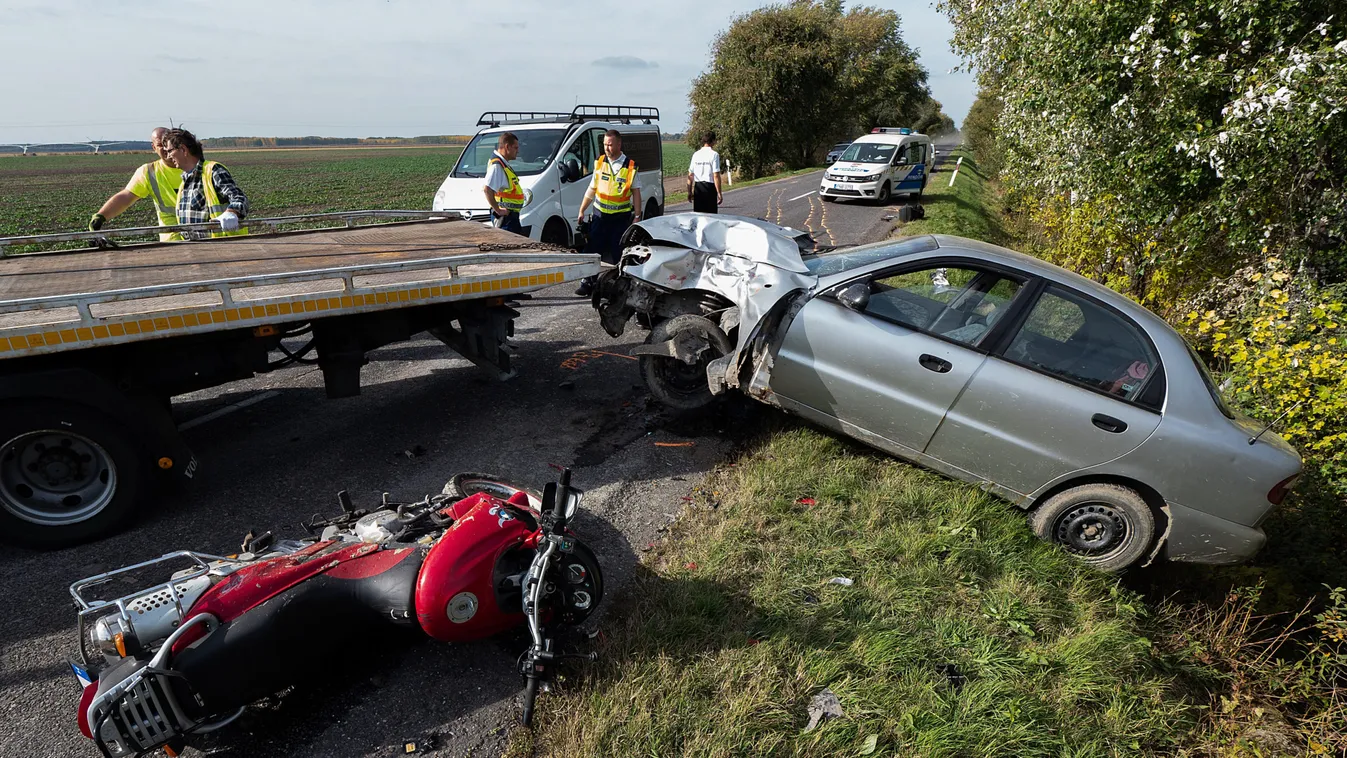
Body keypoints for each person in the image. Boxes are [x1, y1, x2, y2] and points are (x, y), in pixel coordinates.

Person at [574, 130, 641, 297]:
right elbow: (592, 188)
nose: (607, 148)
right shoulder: (600, 162)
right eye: (605, 144)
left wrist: (637, 216)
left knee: (619, 252)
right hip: (599, 216)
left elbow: (636, 193)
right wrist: (582, 209)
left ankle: (621, 285)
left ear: (619, 144)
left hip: (620, 219)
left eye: (610, 144)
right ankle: (587, 282)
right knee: (593, 249)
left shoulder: (630, 166)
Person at [88, 127, 184, 241]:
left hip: (204, 236)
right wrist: (100, 217)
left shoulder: (199, 167)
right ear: (154, 147)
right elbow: (126, 197)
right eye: (160, 145)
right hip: (172, 240)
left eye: (167, 143)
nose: (166, 148)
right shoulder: (149, 172)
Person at [160, 128, 249, 240]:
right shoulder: (185, 182)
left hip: (222, 247)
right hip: (195, 250)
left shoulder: (213, 171)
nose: (168, 156)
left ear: (183, 150)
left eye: (169, 151)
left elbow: (239, 198)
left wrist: (231, 212)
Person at [483, 132, 527, 235]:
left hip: (510, 217)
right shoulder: (497, 166)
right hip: (506, 218)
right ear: (507, 146)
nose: (518, 151)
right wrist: (498, 210)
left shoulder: (502, 164)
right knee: (510, 249)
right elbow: (487, 189)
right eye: (515, 148)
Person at [686, 131, 723, 213]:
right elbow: (716, 175)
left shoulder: (696, 154)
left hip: (698, 187)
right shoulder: (714, 154)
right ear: (713, 141)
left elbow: (690, 175)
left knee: (699, 215)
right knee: (711, 215)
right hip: (709, 187)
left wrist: (689, 191)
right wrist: (719, 192)